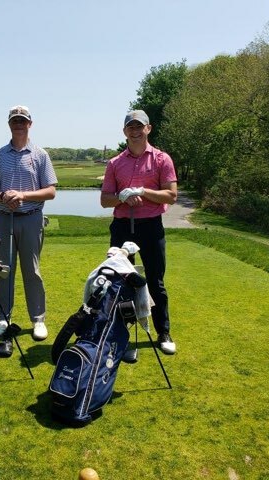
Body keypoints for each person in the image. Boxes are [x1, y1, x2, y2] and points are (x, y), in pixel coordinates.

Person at [100, 110, 178, 355]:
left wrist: (143, 192)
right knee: (121, 281)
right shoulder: (115, 163)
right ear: (125, 131)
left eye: (139, 127)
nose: (135, 131)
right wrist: (122, 197)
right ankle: (122, 335)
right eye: (130, 127)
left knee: (155, 281)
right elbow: (105, 201)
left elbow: (171, 195)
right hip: (123, 227)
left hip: (151, 226)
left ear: (148, 129)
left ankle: (163, 332)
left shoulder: (161, 159)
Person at [0, 105, 58, 343]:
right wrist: (4, 196)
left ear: (30, 124)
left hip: (31, 218)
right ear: (9, 124)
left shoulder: (40, 155)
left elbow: (50, 191)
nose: (19, 124)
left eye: (22, 120)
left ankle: (38, 319)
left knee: (32, 270)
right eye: (15, 120)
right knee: (3, 270)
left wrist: (23, 196)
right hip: (4, 219)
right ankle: (3, 318)